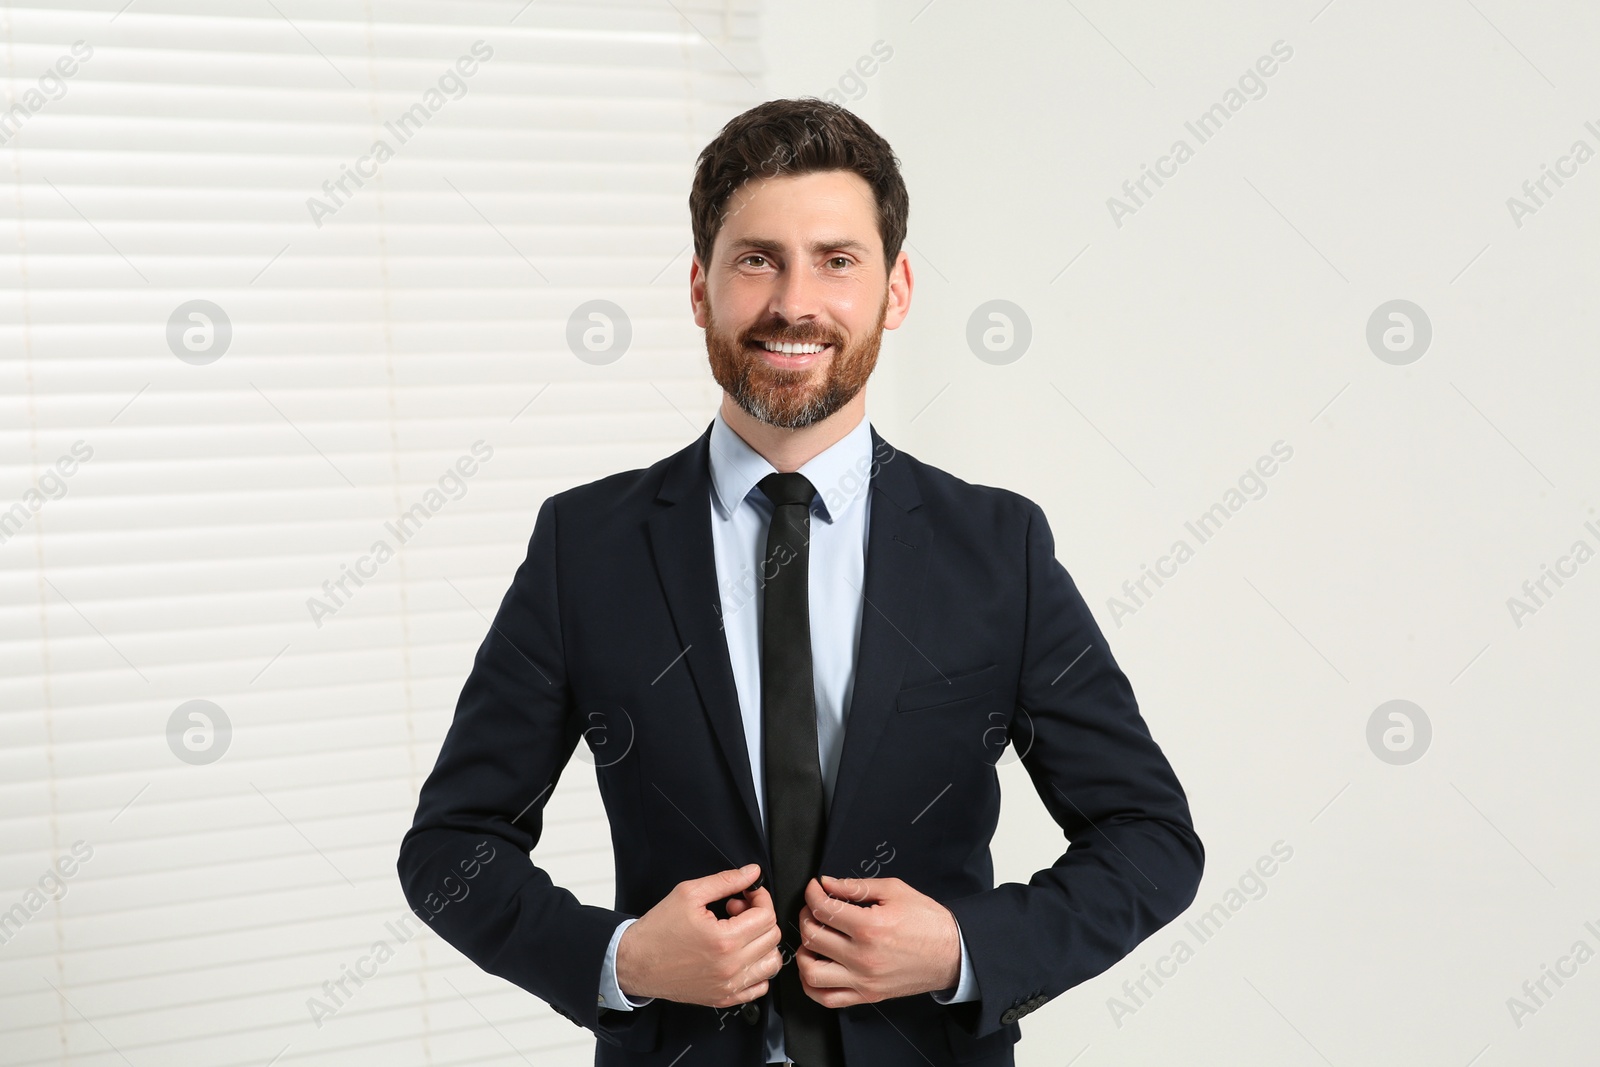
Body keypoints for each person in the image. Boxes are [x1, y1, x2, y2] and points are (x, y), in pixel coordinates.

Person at [397, 97, 1203, 1067]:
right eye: (755, 259)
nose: (793, 301)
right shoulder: (587, 544)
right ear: (700, 288)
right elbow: (451, 845)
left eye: (835, 258)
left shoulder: (997, 547)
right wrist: (622, 957)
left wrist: (961, 946)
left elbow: (1149, 837)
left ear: (894, 289)